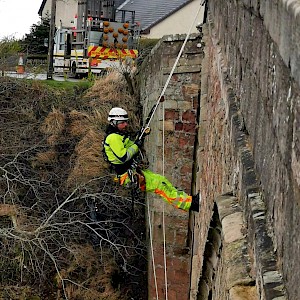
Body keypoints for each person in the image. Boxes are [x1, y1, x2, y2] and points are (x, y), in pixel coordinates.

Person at [103, 107, 199, 212]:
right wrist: (137, 144)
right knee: (159, 185)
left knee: (162, 180)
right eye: (122, 122)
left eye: (126, 122)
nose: (126, 124)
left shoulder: (118, 135)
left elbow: (132, 146)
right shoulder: (112, 138)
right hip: (128, 175)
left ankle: (190, 200)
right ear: (114, 122)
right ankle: (191, 204)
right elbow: (123, 157)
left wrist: (141, 136)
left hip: (132, 170)